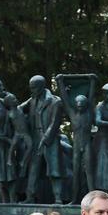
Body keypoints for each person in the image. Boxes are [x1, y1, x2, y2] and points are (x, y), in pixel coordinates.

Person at [24, 75, 65, 204]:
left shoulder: (55, 101)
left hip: (50, 140)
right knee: (33, 169)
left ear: (42, 86)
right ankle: (30, 197)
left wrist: (46, 139)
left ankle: (58, 198)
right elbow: (18, 108)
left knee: (54, 169)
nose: (32, 91)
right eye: (31, 88)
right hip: (35, 138)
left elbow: (54, 124)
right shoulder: (32, 100)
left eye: (34, 88)